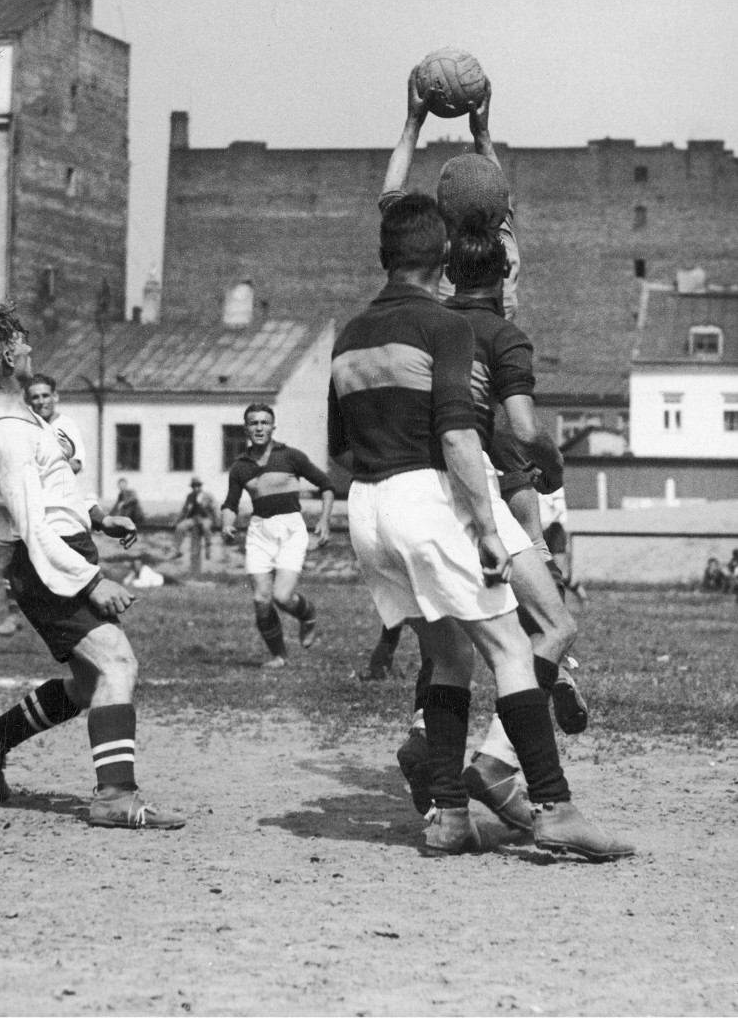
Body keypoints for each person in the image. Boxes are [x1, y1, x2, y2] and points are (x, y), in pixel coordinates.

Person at [329, 193, 633, 859]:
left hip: (367, 510)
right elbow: (463, 441)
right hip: (423, 497)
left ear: (384, 256)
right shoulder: (446, 327)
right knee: (512, 651)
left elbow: (338, 453)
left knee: (447, 655)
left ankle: (448, 817)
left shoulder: (348, 335)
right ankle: (553, 808)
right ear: (440, 259)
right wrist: (490, 533)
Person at [0, 302, 184, 830]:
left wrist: (97, 517)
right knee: (117, 664)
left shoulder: (19, 418)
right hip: (49, 564)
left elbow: (53, 494)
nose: (32, 349)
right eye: (24, 343)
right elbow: (33, 529)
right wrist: (93, 581)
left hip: (64, 553)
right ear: (9, 355)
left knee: (86, 686)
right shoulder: (6, 434)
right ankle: (115, 797)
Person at [221, 404, 335, 668]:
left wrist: (325, 521)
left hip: (290, 529)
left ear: (273, 427)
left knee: (282, 597)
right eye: (253, 423)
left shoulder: (291, 456)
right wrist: (227, 524)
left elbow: (326, 486)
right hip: (259, 531)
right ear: (245, 429)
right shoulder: (240, 466)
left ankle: (308, 616)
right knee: (261, 599)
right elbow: (230, 503)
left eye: (264, 423)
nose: (259, 428)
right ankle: (279, 656)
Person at [0, 372, 88, 637]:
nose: (41, 401)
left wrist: (51, 466)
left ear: (55, 397)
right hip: (29, 503)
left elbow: (77, 463)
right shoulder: (25, 426)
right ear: (28, 400)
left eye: (45, 395)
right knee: (12, 559)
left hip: (59, 505)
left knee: (65, 562)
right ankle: (14, 616)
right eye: (35, 397)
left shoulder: (66, 425)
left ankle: (75, 618)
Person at [172, 477, 219, 560]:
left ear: (201, 486)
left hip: (205, 518)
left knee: (206, 528)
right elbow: (184, 510)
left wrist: (217, 521)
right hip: (193, 518)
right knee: (180, 527)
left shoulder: (208, 496)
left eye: (198, 486)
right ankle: (176, 551)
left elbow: (215, 509)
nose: (196, 488)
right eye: (194, 486)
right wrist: (177, 521)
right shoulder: (190, 496)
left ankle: (208, 551)